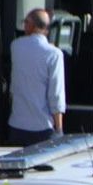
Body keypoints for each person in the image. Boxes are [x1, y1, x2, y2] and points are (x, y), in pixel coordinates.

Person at [6, 8, 66, 146]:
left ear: (31, 25)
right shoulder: (54, 54)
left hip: (17, 124)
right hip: (43, 126)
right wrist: (59, 128)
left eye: (25, 22)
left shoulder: (16, 46)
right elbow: (56, 94)